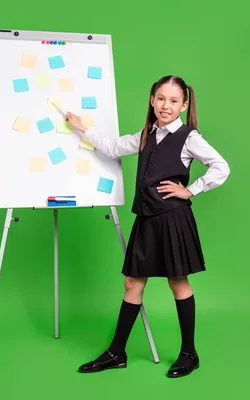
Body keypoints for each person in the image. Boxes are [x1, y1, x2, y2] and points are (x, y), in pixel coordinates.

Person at [65, 75, 230, 378]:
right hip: (146, 218)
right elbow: (113, 147)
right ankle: (116, 353)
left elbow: (221, 166)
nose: (166, 105)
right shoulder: (146, 134)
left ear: (184, 105)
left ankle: (189, 354)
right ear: (152, 100)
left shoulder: (189, 137)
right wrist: (82, 127)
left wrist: (191, 189)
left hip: (173, 219)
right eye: (161, 98)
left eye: (173, 100)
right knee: (132, 283)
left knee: (177, 282)